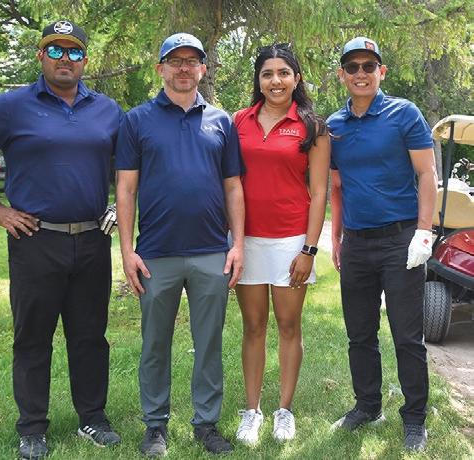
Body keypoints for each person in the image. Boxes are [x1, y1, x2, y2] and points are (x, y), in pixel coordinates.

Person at [0, 20, 123, 459]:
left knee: (90, 336)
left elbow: (128, 166)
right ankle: (32, 428)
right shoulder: (12, 106)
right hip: (35, 240)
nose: (65, 59)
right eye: (56, 50)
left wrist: (121, 207)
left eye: (74, 52)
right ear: (40, 56)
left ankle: (92, 419)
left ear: (85, 60)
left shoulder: (107, 111)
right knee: (33, 336)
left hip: (92, 240)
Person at [115, 33, 244, 457]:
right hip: (156, 253)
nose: (184, 68)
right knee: (155, 344)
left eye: (192, 61)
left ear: (203, 68)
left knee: (209, 344)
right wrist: (127, 251)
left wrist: (238, 244)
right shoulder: (137, 120)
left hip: (211, 251)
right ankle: (155, 426)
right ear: (161, 69)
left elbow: (233, 187)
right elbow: (126, 189)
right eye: (175, 61)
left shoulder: (221, 121)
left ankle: (206, 424)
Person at [328, 37, 437, 451]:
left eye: (368, 66)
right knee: (360, 333)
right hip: (357, 243)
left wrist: (424, 232)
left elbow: (426, 174)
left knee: (407, 335)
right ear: (342, 74)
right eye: (353, 67)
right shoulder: (334, 126)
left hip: (400, 240)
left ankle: (415, 418)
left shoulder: (403, 113)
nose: (361, 74)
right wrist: (336, 236)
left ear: (381, 72)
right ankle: (368, 406)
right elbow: (337, 186)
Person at [232, 43, 330, 444]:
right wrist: (234, 242)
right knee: (253, 326)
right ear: (258, 80)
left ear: (297, 78)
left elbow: (320, 193)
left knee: (289, 326)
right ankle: (251, 411)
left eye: (283, 73)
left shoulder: (313, 127)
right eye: (268, 73)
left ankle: (284, 411)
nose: (276, 81)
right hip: (247, 239)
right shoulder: (238, 121)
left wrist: (309, 250)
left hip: (292, 240)